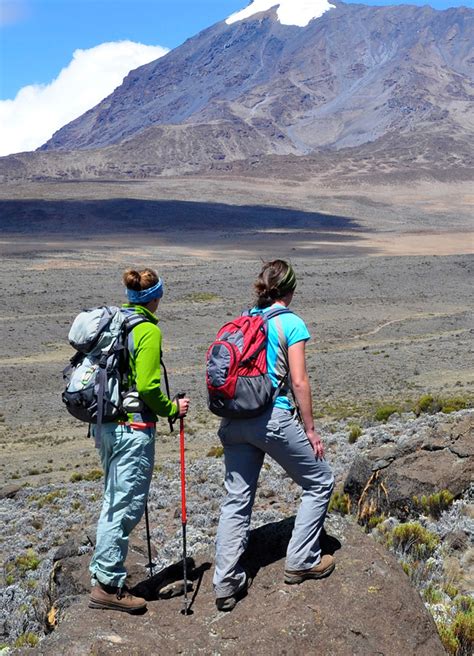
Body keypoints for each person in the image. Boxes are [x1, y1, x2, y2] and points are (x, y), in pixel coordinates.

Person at [213, 259, 335, 611]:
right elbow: (299, 381)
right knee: (321, 481)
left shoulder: (245, 319)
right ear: (291, 290)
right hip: (272, 418)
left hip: (233, 421)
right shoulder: (290, 323)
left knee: (236, 500)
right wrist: (310, 430)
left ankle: (225, 582)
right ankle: (302, 559)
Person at [89, 267, 190, 613]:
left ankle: (105, 577)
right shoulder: (146, 330)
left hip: (106, 426)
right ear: (155, 297)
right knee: (124, 506)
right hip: (132, 430)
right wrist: (172, 408)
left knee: (113, 500)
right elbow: (148, 387)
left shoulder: (116, 323)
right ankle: (107, 586)